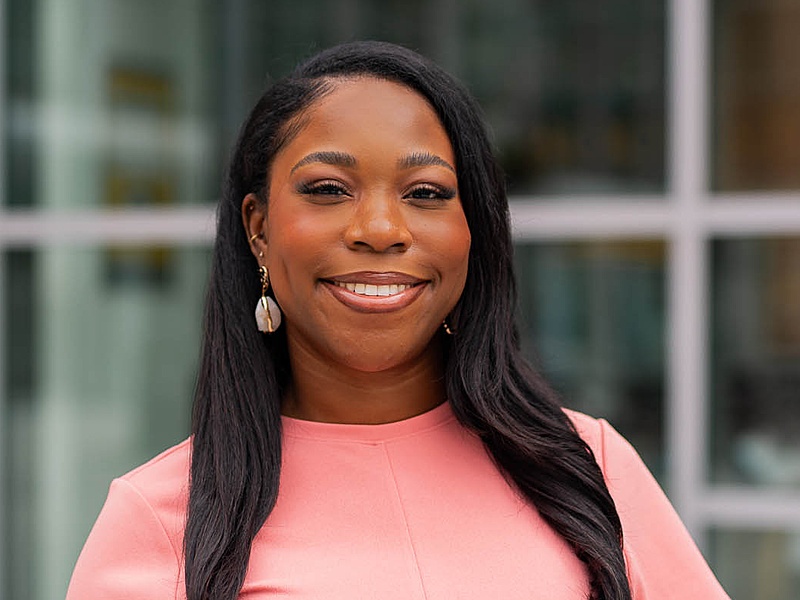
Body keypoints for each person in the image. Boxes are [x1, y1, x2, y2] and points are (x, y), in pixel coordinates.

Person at [67, 41, 729, 600]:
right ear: (258, 229)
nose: (381, 230)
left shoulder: (587, 469)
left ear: (474, 231)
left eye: (426, 194)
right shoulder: (161, 519)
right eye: (328, 189)